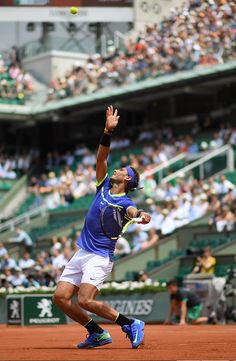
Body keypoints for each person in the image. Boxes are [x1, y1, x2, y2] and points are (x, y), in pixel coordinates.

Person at [53, 105, 151, 349]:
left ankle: (130, 323)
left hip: (99, 256)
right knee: (61, 298)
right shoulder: (103, 186)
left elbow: (131, 211)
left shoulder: (126, 202)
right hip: (82, 252)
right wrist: (107, 131)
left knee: (85, 300)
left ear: (127, 179)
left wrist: (140, 213)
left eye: (122, 170)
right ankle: (96, 333)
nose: (116, 169)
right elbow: (101, 157)